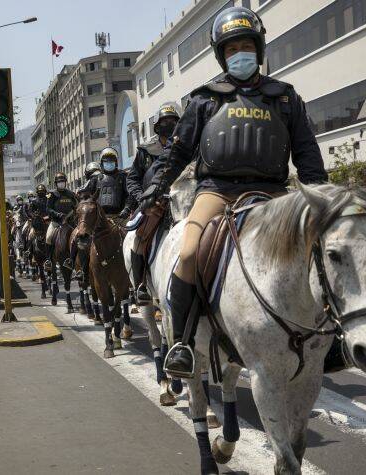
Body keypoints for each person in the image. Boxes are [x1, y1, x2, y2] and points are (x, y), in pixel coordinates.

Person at [141, 6, 327, 377]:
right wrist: (157, 186)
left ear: (258, 50)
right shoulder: (204, 99)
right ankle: (182, 341)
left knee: (319, 250)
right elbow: (177, 152)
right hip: (217, 192)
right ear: (222, 55)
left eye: (245, 46)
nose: (239, 53)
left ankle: (327, 340)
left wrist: (320, 198)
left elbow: (307, 155)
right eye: (231, 49)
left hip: (274, 195)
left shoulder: (286, 98)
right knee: (191, 251)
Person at [127, 102, 181, 302]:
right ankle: (140, 284)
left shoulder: (186, 146)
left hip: (181, 201)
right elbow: (132, 179)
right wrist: (143, 197)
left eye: (174, 121)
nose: (169, 124)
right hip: (154, 205)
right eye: (165, 121)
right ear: (157, 126)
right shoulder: (146, 151)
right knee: (140, 238)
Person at [64, 162, 104, 276]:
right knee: (77, 235)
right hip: (89, 217)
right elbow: (80, 200)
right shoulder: (85, 187)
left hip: (106, 215)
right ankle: (72, 261)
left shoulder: (105, 181)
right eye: (93, 175)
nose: (95, 177)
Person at [45, 172, 78, 267]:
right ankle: (48, 261)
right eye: (59, 182)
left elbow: (76, 206)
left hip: (70, 222)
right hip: (56, 222)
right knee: (48, 238)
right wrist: (57, 214)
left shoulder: (71, 194)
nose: (61, 183)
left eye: (63, 181)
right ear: (56, 183)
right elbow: (48, 209)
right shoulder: (51, 194)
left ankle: (77, 260)